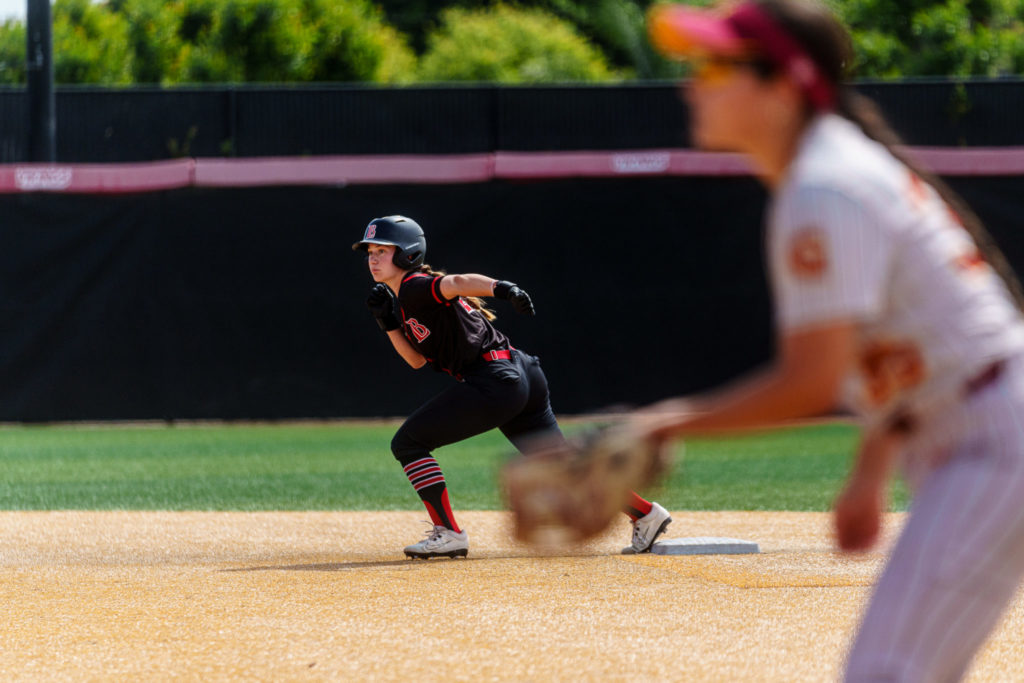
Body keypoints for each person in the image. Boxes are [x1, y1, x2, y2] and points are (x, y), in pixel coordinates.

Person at [638, 1, 1024, 680]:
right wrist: (872, 469)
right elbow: (905, 342)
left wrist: (666, 423)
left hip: (994, 441)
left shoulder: (825, 187)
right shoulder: (827, 173)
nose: (693, 83)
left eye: (717, 65)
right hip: (978, 425)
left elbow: (811, 379)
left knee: (887, 670)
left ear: (783, 85)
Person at [354, 215, 672, 559]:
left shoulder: (416, 285)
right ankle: (646, 514)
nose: (373, 257)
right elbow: (416, 362)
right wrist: (387, 323)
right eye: (370, 250)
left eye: (383, 250)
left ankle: (448, 533)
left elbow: (458, 281)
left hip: (495, 379)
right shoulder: (406, 301)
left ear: (408, 254)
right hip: (520, 372)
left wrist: (502, 288)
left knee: (408, 443)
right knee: (564, 462)